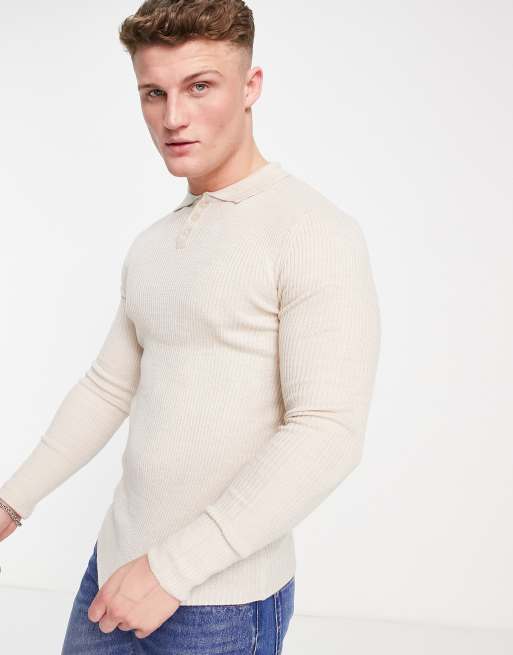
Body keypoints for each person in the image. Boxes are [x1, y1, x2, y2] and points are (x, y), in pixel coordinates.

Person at [0, 0, 381, 652]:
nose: (172, 117)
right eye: (154, 93)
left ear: (250, 87)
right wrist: (13, 501)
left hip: (221, 602)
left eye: (199, 86)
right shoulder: (153, 245)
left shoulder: (313, 231)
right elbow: (107, 387)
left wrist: (171, 569)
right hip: (113, 571)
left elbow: (327, 432)